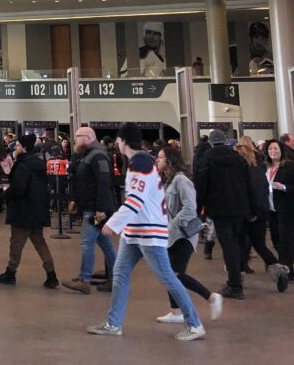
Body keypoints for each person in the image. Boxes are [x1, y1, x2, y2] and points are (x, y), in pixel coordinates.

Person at [87, 125, 205, 341]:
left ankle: (195, 323)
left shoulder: (140, 163)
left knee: (167, 277)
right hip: (137, 231)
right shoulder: (139, 162)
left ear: (122, 141)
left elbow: (135, 199)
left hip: (148, 232)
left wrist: (113, 223)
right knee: (121, 274)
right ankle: (113, 324)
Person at [154, 145, 221, 325]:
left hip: (183, 235)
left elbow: (190, 208)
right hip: (171, 235)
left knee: (175, 273)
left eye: (160, 157)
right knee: (170, 273)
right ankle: (176, 311)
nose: (157, 160)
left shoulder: (181, 180)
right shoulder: (167, 180)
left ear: (170, 159)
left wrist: (172, 225)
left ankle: (211, 297)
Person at [0, 134, 58, 288]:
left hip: (23, 209)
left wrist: (7, 194)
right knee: (40, 242)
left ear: (25, 148)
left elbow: (19, 188)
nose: (15, 148)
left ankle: (11, 272)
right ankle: (51, 274)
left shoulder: (23, 165)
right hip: (37, 209)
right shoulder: (39, 164)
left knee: (16, 242)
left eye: (18, 145)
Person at [194, 128, 253, 299]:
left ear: (211, 142)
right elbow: (248, 184)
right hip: (240, 208)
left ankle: (235, 285)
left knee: (228, 247)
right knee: (238, 244)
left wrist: (198, 210)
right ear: (226, 141)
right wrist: (251, 208)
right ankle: (237, 280)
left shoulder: (207, 159)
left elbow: (201, 187)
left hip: (219, 209)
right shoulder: (238, 158)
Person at [63, 126, 116, 294]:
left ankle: (84, 279)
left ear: (88, 137)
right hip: (90, 206)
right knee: (104, 243)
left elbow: (103, 183)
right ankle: (117, 278)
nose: (75, 139)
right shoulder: (85, 155)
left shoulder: (98, 156)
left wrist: (101, 209)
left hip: (95, 210)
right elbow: (82, 181)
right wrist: (75, 199)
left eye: (78, 136)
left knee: (87, 242)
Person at [236, 139, 289, 292]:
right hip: (262, 210)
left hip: (248, 213)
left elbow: (246, 192)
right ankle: (278, 270)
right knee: (260, 245)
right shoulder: (260, 167)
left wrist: (249, 212)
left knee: (240, 245)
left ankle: (236, 278)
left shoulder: (243, 170)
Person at [264, 139, 294, 280]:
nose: (273, 151)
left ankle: (287, 270)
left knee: (285, 239)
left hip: (286, 208)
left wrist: (284, 187)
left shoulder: (290, 167)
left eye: (276, 149)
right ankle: (283, 264)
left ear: (281, 151)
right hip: (270, 208)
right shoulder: (265, 167)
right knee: (275, 238)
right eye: (270, 149)